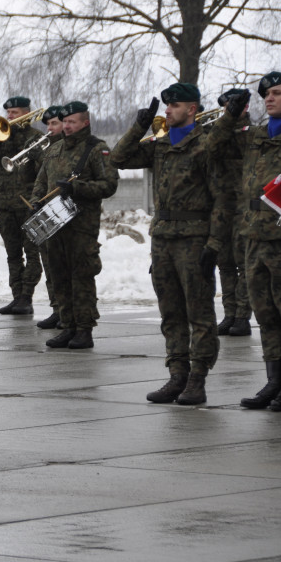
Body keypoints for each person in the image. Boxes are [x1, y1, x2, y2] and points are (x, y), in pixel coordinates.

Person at [111, 83, 227, 404]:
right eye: (166, 106)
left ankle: (198, 380)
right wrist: (139, 125)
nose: (167, 111)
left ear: (192, 109)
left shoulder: (206, 145)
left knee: (199, 313)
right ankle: (177, 376)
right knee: (170, 311)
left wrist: (214, 245)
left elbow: (221, 199)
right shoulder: (161, 144)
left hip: (194, 240)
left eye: (174, 106)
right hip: (162, 239)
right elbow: (119, 158)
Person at [206, 72, 281, 410]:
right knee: (266, 314)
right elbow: (212, 145)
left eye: (277, 94)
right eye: (266, 94)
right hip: (254, 235)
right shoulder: (255, 134)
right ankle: (274, 382)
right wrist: (230, 114)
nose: (270, 99)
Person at [31, 101, 119, 350]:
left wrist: (78, 188)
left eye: (72, 122)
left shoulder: (96, 149)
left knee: (81, 277)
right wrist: (37, 200)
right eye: (65, 122)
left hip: (81, 225)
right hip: (54, 224)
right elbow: (42, 181)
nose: (67, 126)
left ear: (84, 123)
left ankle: (84, 329)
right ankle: (67, 326)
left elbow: (109, 185)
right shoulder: (55, 149)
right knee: (59, 277)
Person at [0, 96, 44, 315]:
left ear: (26, 112)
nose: (10, 117)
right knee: (13, 255)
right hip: (5, 206)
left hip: (29, 205)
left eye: (14, 113)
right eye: (8, 113)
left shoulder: (37, 138)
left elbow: (45, 170)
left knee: (33, 253)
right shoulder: (1, 137)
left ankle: (27, 296)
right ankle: (17, 297)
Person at [212, 89, 253, 338]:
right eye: (227, 106)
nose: (229, 110)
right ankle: (229, 314)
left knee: (243, 264)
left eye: (233, 106)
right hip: (221, 206)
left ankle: (242, 316)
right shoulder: (218, 132)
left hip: (243, 208)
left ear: (245, 107)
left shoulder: (251, 133)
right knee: (224, 263)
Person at [33, 105, 66, 329]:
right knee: (48, 262)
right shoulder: (46, 149)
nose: (49, 128)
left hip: (67, 211)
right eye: (48, 124)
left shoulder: (73, 148)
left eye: (54, 123)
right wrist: (35, 201)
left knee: (64, 266)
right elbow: (39, 179)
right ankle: (56, 308)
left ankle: (68, 312)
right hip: (47, 211)